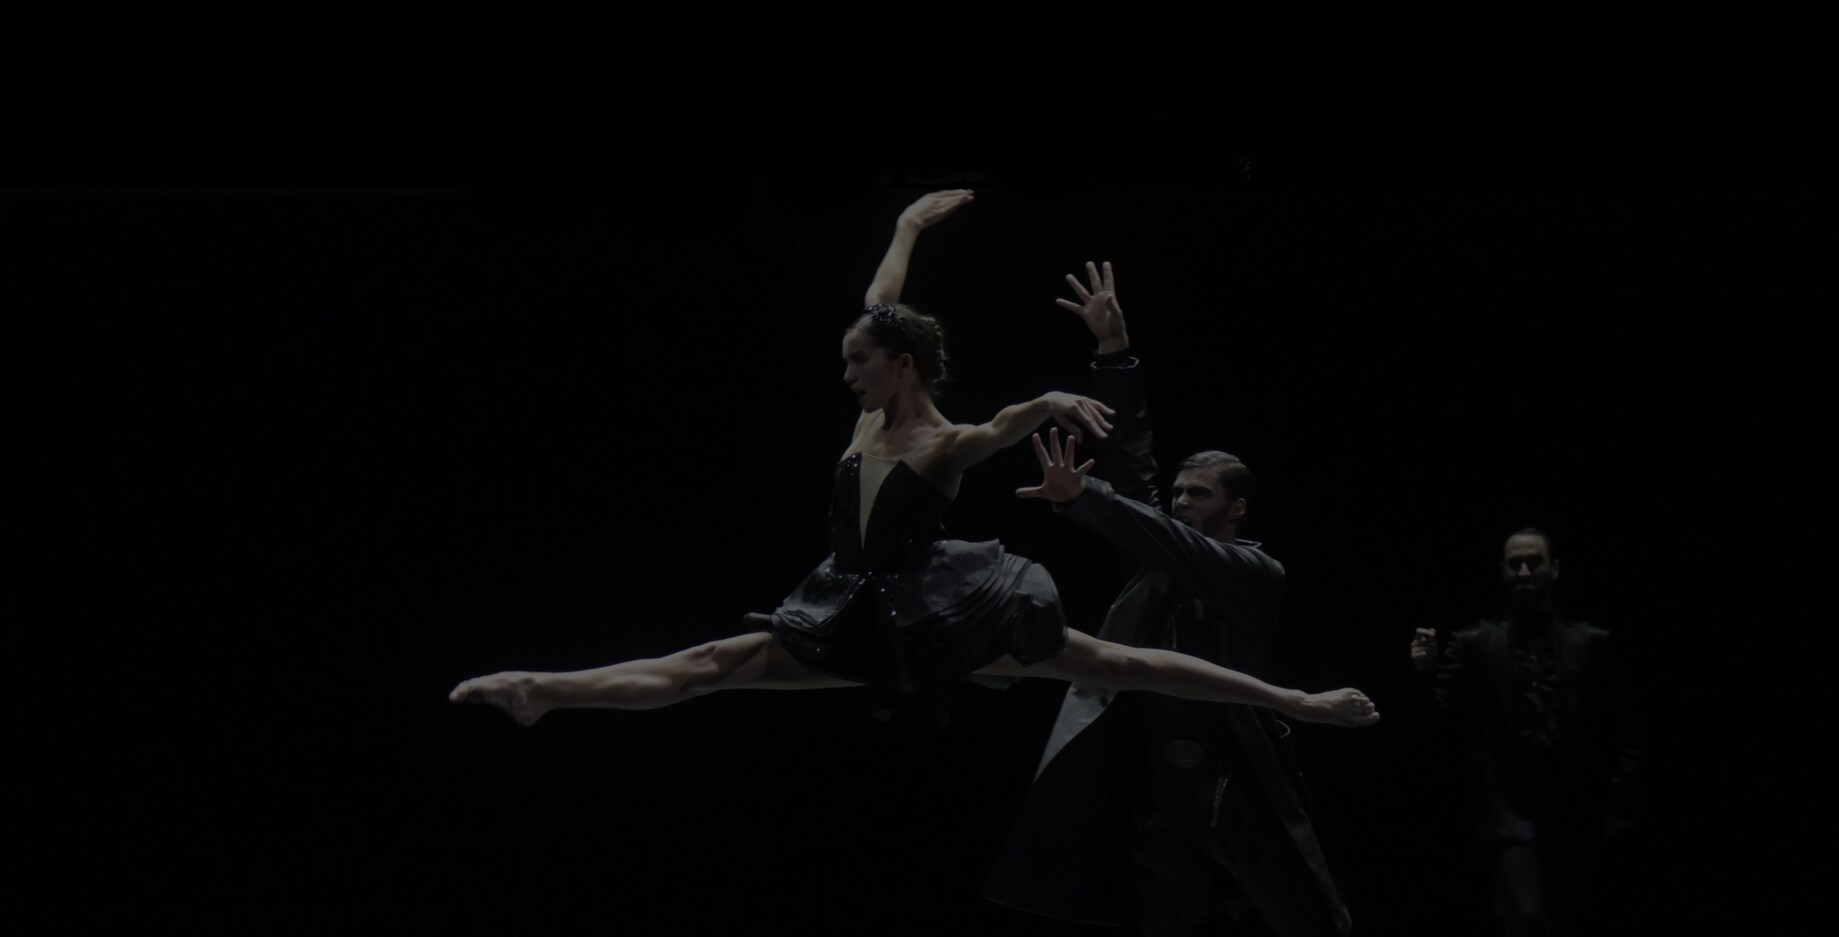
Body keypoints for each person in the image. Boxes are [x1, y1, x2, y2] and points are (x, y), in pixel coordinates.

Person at [450, 191, 1378, 734]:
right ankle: (540, 690)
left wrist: (1062, 396)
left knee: (1122, 661)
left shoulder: (944, 442)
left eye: (860, 361)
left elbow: (1011, 420)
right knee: (704, 660)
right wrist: (906, 226)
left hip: (941, 615)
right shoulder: (867, 411)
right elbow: (879, 299)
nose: (846, 371)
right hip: (847, 607)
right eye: (848, 358)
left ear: (901, 368)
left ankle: (1293, 698)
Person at [988, 263, 1364, 935]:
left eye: (1201, 495)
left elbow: (1149, 522)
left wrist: (1088, 499)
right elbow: (1134, 468)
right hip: (1155, 781)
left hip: (1233, 779)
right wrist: (1114, 355)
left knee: (1307, 918)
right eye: (1180, 492)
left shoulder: (1252, 570)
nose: (1184, 503)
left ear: (1237, 508)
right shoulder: (1157, 562)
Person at [1409, 529, 1645, 937]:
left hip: (1579, 813)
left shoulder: (1591, 644)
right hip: (1507, 814)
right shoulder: (1475, 644)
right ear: (1501, 572)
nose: (1523, 571)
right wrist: (1424, 675)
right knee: (1526, 916)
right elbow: (1438, 721)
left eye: (1533, 561)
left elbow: (1625, 726)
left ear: (1553, 569)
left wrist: (1619, 802)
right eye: (1513, 563)